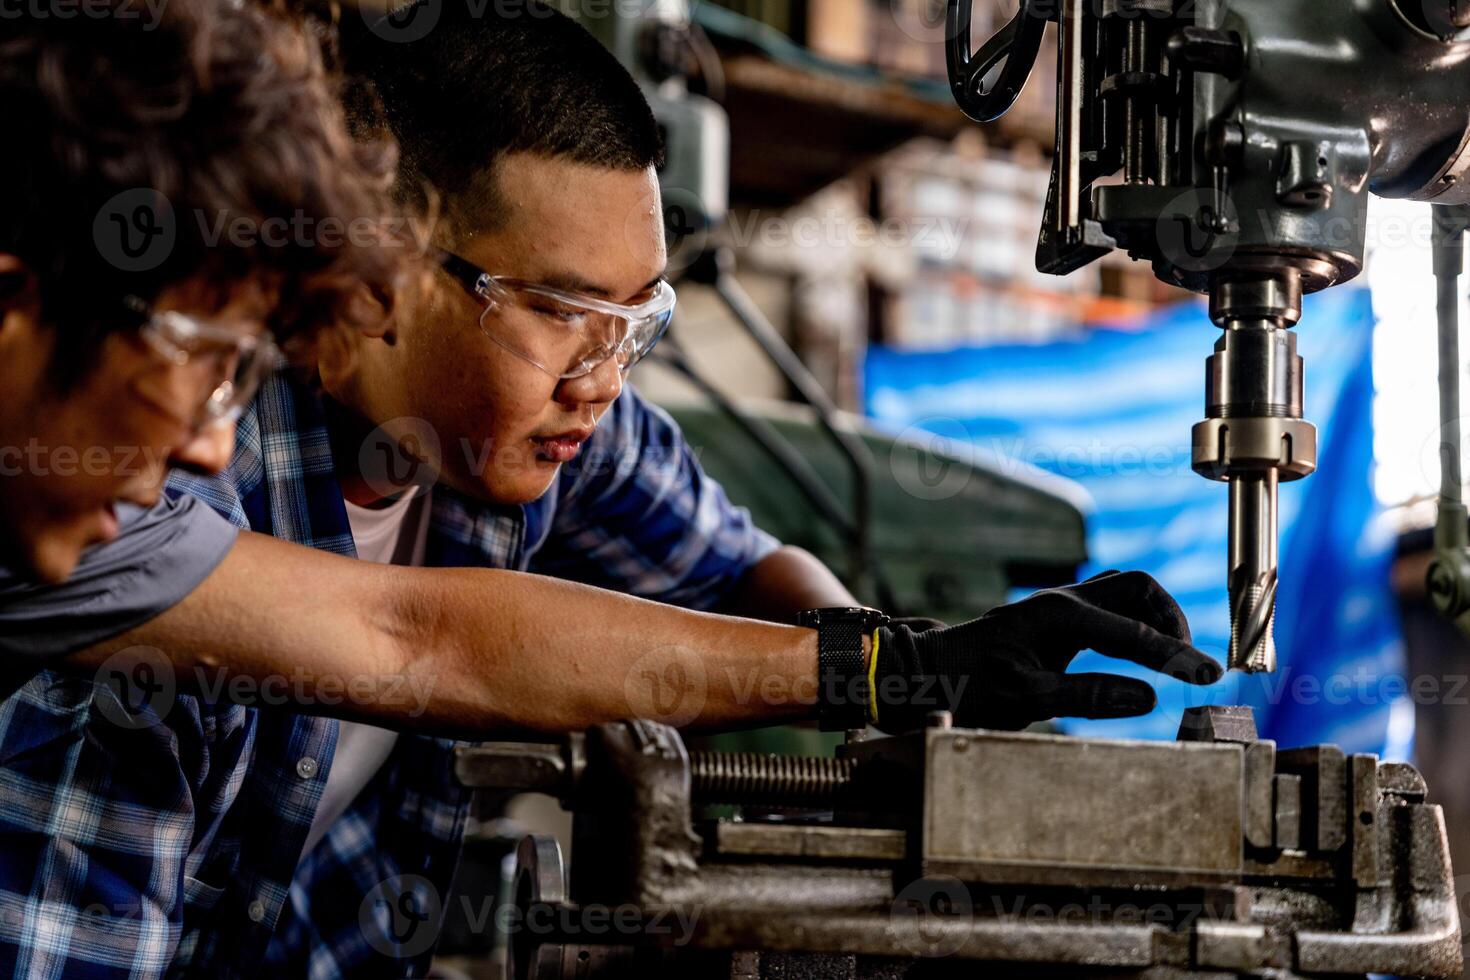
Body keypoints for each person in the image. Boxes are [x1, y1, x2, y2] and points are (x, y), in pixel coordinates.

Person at [0, 2, 1220, 976]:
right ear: (398, 263)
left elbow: (743, 574)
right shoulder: (126, 492)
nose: (605, 377)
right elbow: (423, 639)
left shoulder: (542, 417)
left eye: (637, 328)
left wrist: (919, 686)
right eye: (569, 315)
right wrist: (882, 667)